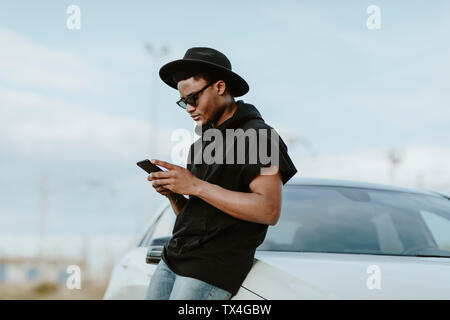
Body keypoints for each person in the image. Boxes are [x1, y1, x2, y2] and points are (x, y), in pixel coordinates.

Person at [144, 47, 297, 300]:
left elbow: (269, 210)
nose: (189, 108)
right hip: (172, 259)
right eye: (183, 102)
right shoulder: (201, 144)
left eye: (193, 98)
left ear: (219, 87)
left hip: (210, 269)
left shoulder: (261, 138)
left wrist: (194, 186)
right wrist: (175, 194)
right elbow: (197, 217)